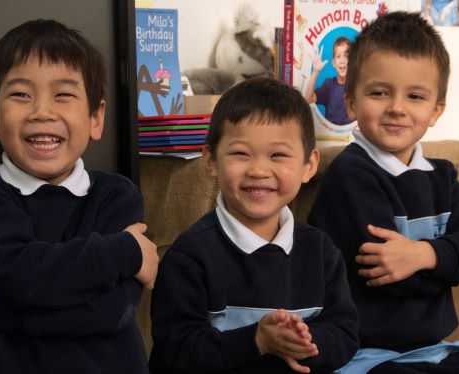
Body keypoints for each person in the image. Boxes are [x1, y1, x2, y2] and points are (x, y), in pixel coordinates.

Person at [308, 12, 459, 373]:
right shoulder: (351, 176)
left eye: (416, 96)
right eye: (379, 92)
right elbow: (384, 276)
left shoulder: (441, 177)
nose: (397, 108)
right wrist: (450, 261)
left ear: (436, 110)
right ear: (350, 102)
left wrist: (425, 255)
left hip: (432, 348)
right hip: (364, 352)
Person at [0, 19, 159, 374]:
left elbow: (112, 311)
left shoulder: (117, 196)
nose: (42, 111)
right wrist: (125, 250)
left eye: (63, 94)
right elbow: (22, 274)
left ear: (95, 118)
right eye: (21, 95)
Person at [149, 77, 359, 373]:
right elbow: (176, 350)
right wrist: (257, 341)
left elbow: (345, 333)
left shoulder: (321, 251)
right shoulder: (190, 256)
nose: (259, 170)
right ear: (210, 161)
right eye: (241, 153)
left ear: (308, 166)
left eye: (278, 155)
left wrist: (305, 341)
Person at [304, 36, 353, 125]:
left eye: (346, 56)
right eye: (338, 56)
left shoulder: (357, 86)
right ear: (333, 63)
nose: (342, 60)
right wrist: (316, 71)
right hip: (330, 136)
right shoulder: (328, 85)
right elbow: (308, 99)